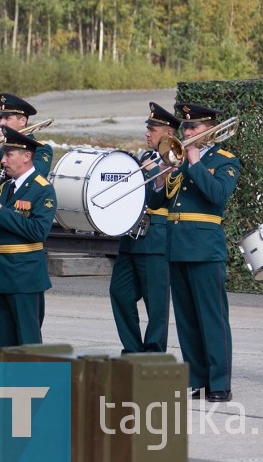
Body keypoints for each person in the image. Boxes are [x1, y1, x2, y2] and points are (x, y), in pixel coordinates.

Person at [150, 103, 239, 403]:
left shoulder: (225, 160)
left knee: (211, 318)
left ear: (210, 130)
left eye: (194, 128)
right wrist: (163, 174)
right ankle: (198, 380)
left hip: (204, 248)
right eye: (186, 128)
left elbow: (217, 196)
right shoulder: (178, 160)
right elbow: (158, 201)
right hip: (176, 246)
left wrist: (196, 162)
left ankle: (220, 383)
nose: (187, 132)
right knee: (186, 319)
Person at [108, 102, 179, 354]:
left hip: (156, 236)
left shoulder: (176, 159)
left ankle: (153, 350)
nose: (147, 133)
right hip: (131, 237)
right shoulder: (145, 157)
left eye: (153, 129)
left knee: (156, 303)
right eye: (147, 128)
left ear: (169, 133)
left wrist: (159, 174)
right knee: (120, 292)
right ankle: (132, 348)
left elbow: (166, 198)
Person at [0, 127, 57, 347]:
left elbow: (38, 231)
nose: (3, 161)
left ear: (26, 157)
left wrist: (1, 213)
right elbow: (0, 230)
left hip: (25, 276)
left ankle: (31, 382)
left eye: (8, 155)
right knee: (1, 341)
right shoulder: (4, 187)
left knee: (27, 338)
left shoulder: (43, 189)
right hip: (0, 273)